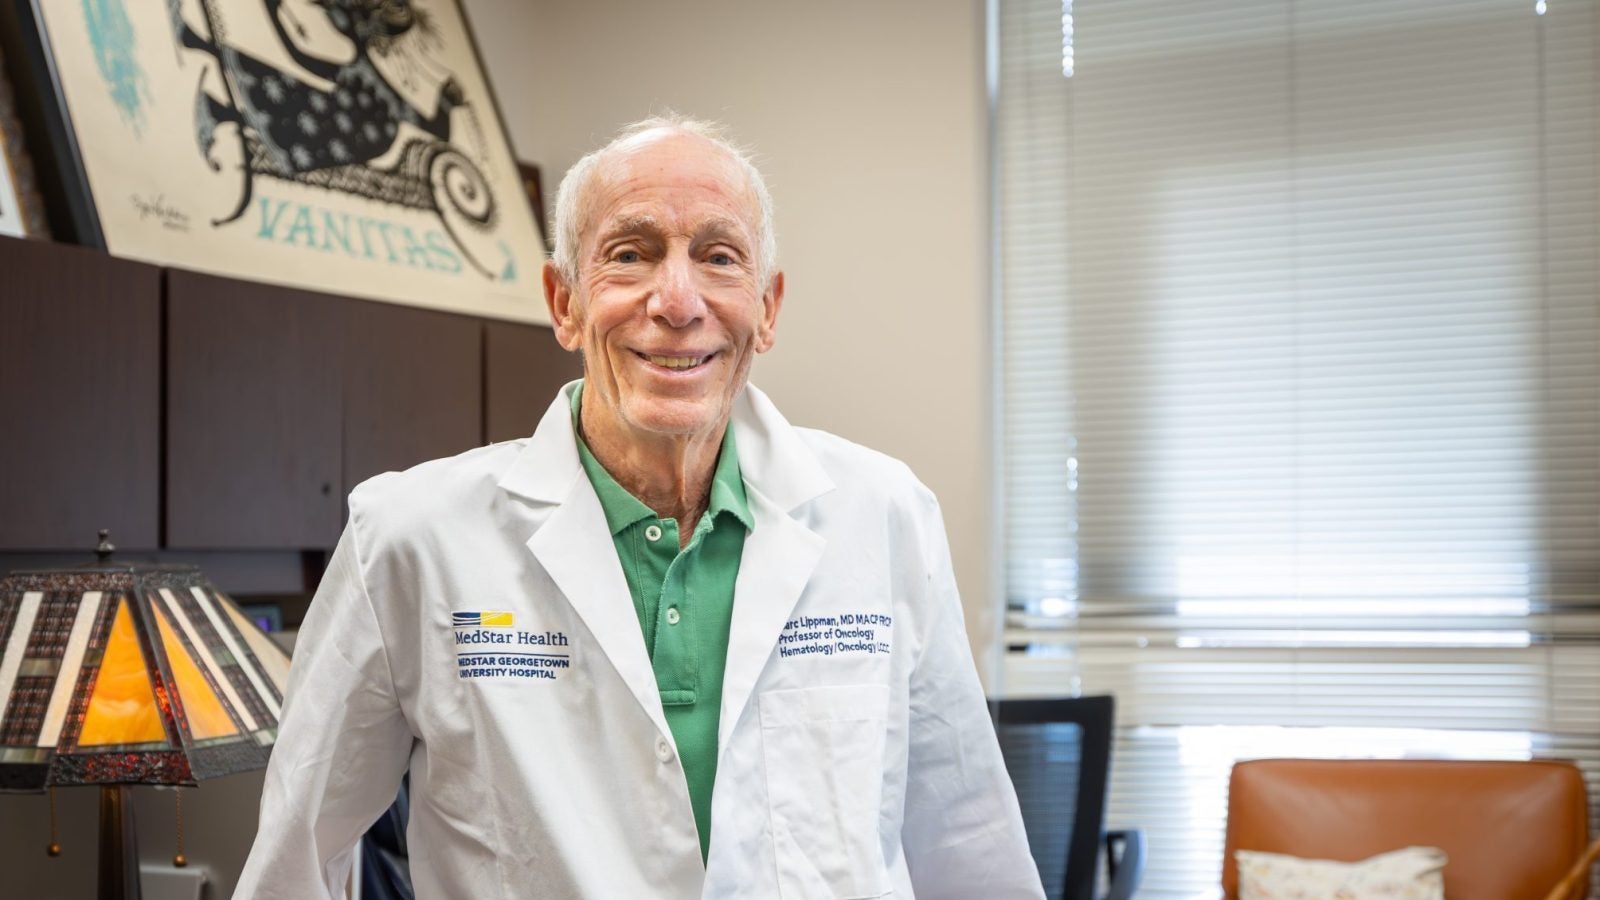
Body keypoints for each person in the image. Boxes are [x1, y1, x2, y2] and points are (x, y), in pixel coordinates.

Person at [234, 115, 1043, 899]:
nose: (678, 299)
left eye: (720, 257)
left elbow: (969, 849)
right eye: (631, 254)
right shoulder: (411, 540)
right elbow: (295, 862)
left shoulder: (884, 514)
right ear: (565, 302)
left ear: (767, 308)